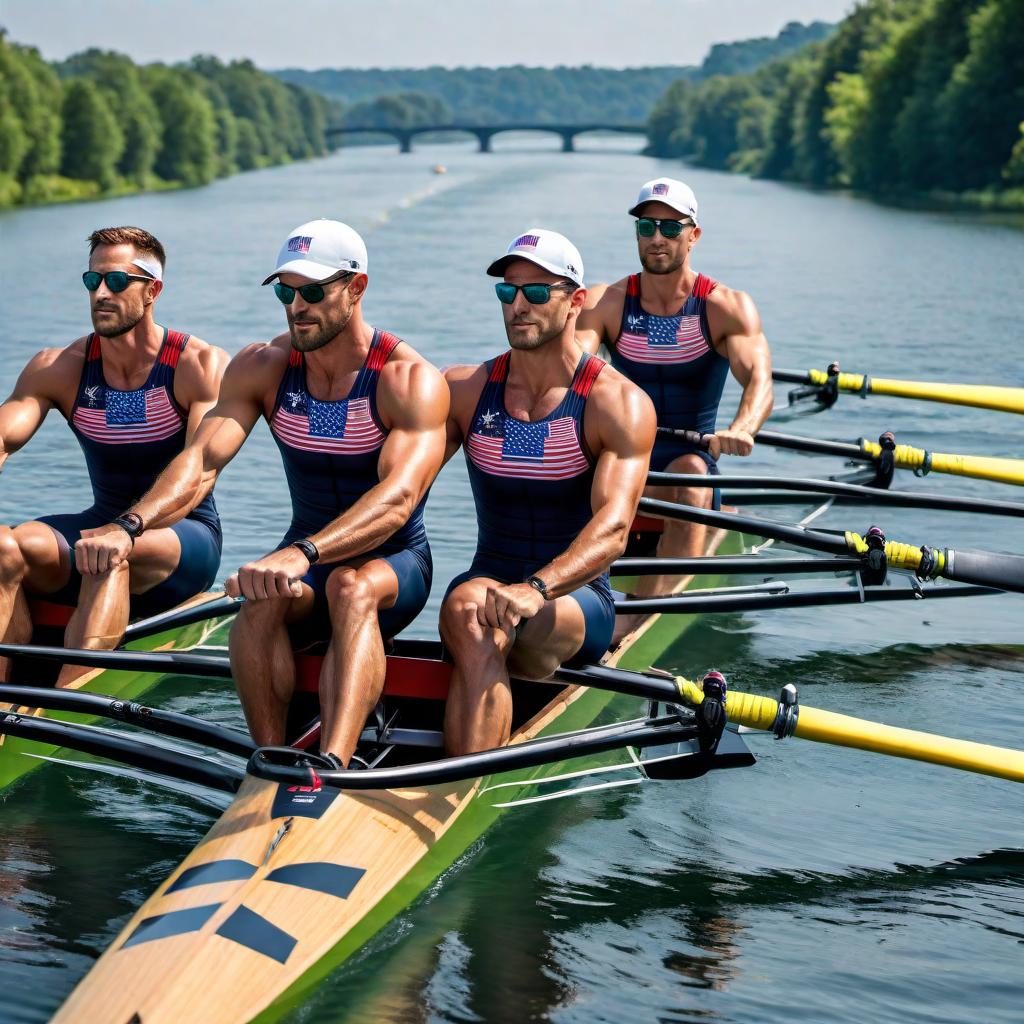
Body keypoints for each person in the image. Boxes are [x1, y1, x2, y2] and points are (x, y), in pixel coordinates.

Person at [81, 219, 448, 768]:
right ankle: (271, 759)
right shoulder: (263, 367)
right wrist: (129, 527)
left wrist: (301, 553)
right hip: (300, 566)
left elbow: (398, 499)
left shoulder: (406, 379)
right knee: (255, 605)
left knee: (351, 588)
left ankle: (333, 764)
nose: (296, 306)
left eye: (313, 292)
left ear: (356, 288)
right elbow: (201, 461)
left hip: (394, 565)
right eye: (285, 291)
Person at [441, 229, 656, 755]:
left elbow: (613, 531)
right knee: (473, 610)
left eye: (537, 293)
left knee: (487, 617)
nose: (518, 305)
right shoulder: (466, 390)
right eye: (507, 292)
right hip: (489, 584)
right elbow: (399, 487)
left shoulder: (616, 403)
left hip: (575, 602)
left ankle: (460, 786)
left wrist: (535, 590)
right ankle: (466, 766)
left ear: (576, 302)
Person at [0, 226, 227, 685]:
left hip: (182, 537)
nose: (101, 293)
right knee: (5, 546)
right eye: (92, 281)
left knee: (107, 554)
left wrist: (127, 529)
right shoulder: (59, 367)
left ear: (152, 291)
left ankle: (61, 713)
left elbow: (199, 471)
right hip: (99, 525)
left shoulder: (198, 366)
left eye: (117, 282)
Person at [577, 178, 773, 594]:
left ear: (693, 235)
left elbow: (759, 379)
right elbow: (572, 367)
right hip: (623, 453)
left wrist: (742, 427)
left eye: (670, 228)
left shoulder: (725, 306)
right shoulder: (606, 302)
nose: (657, 238)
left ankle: (645, 610)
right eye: (646, 228)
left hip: (689, 457)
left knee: (690, 475)